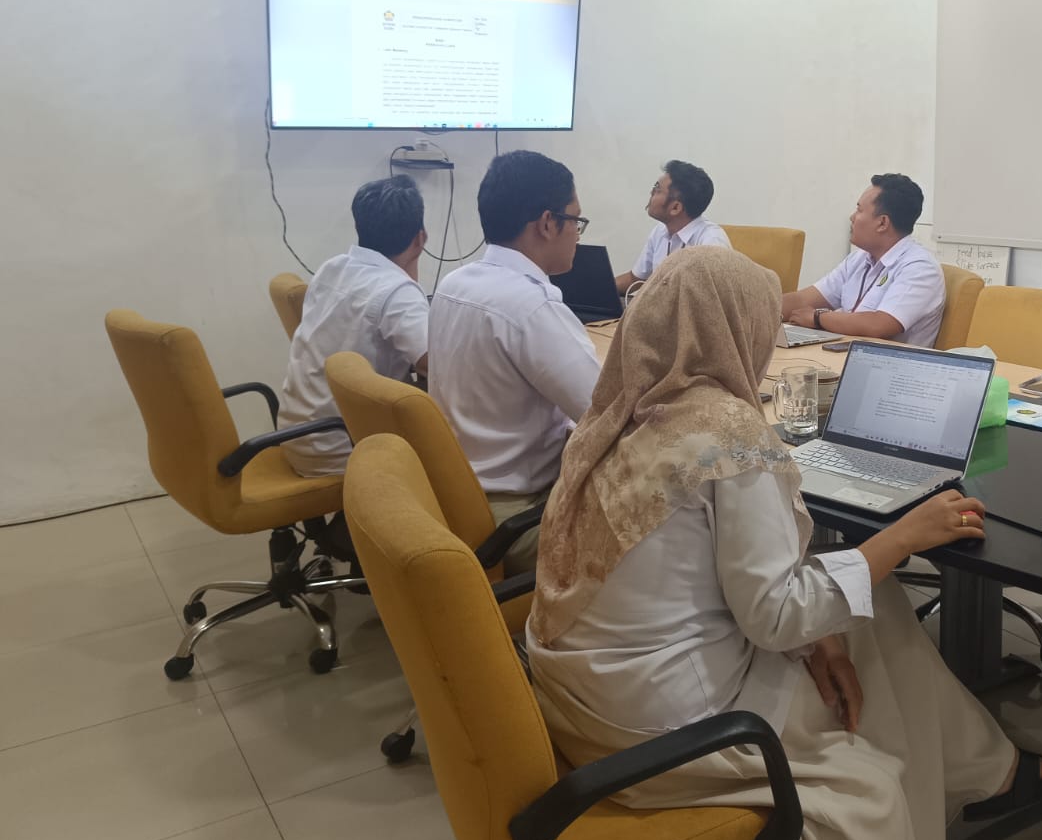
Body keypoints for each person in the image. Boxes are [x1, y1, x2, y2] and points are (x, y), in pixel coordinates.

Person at [526, 247, 1042, 840]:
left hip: (585, 691)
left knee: (877, 608)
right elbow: (776, 618)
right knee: (868, 788)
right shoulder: (726, 433)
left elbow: (727, 584)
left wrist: (827, 639)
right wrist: (904, 537)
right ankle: (933, 790)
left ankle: (982, 771)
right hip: (664, 722)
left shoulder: (619, 411)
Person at [429, 151, 600, 568]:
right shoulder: (531, 307)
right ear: (547, 223)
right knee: (666, 520)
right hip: (517, 514)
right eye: (576, 221)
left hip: (454, 495)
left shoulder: (453, 284)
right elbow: (609, 414)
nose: (577, 235)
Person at [279, 175, 429, 478]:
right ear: (420, 238)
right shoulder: (396, 292)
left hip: (296, 436)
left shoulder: (332, 268)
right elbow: (440, 368)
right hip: (346, 450)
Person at [780, 174, 945, 347]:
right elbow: (804, 299)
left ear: (882, 223)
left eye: (859, 210)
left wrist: (817, 317)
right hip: (840, 353)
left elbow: (879, 325)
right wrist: (763, 307)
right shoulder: (860, 258)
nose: (852, 217)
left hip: (885, 362)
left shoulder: (920, 268)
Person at [612, 159, 730, 295]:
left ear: (675, 207)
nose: (651, 193)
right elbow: (635, 279)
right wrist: (598, 288)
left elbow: (714, 297)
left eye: (657, 190)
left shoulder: (712, 241)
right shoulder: (660, 231)